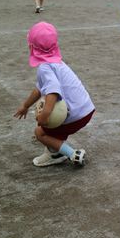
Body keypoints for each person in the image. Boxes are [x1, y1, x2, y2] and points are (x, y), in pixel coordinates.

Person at [14, 22, 94, 167]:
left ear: (31, 47)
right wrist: (25, 106)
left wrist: (44, 116)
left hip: (75, 115)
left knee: (40, 133)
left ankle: (69, 154)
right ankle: (55, 147)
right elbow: (39, 90)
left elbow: (53, 92)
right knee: (51, 128)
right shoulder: (57, 63)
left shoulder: (44, 68)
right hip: (86, 109)